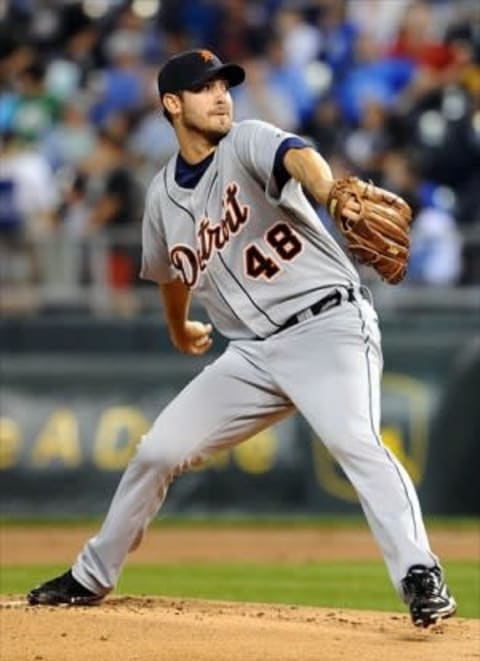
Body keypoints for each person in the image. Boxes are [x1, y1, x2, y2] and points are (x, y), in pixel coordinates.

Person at [27, 48, 456, 628]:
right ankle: (91, 574)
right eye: (205, 88)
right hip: (250, 354)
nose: (221, 95)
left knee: (356, 441)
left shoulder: (248, 140)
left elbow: (299, 157)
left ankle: (419, 575)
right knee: (156, 452)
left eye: (224, 84)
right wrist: (179, 329)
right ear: (173, 105)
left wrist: (330, 194)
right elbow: (174, 273)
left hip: (327, 325)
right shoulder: (160, 199)